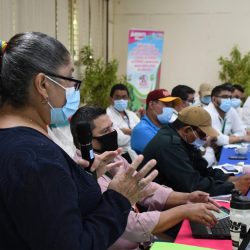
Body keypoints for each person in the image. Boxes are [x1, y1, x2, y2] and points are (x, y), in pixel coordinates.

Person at [0, 32, 159, 250]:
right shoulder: (36, 157)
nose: (73, 91)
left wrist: (81, 177)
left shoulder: (18, 143)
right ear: (43, 84)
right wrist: (119, 199)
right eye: (69, 79)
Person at [70, 105, 219, 249]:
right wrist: (184, 211)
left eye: (112, 127)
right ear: (86, 141)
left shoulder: (114, 158)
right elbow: (132, 225)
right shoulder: (85, 175)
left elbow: (144, 187)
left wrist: (186, 198)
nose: (113, 133)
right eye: (105, 131)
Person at [141, 106, 250, 196]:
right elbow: (192, 186)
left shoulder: (183, 139)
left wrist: (231, 179)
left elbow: (203, 169)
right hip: (155, 203)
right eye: (202, 134)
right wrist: (233, 187)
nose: (205, 138)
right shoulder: (169, 146)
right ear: (187, 130)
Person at [131, 89, 181, 154]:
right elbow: (167, 154)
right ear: (151, 105)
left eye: (172, 106)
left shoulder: (167, 126)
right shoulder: (142, 130)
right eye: (166, 104)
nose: (170, 109)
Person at [107, 83, 139, 162]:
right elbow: (119, 139)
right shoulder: (107, 115)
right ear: (111, 99)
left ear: (128, 99)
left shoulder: (131, 114)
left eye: (124, 97)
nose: (121, 100)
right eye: (117, 97)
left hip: (135, 154)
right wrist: (136, 133)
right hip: (120, 157)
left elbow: (142, 132)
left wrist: (129, 132)